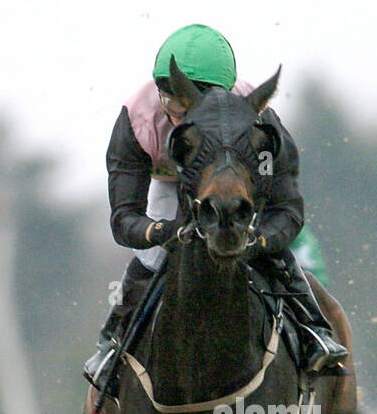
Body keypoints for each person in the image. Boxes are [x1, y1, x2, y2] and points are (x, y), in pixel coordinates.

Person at [85, 23, 347, 392]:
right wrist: (163, 232)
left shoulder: (259, 122)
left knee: (274, 252)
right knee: (152, 257)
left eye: (191, 102)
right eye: (170, 99)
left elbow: (287, 212)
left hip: (232, 180)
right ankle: (112, 343)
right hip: (169, 184)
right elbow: (123, 218)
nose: (178, 113)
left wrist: (259, 242)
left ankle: (314, 331)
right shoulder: (137, 121)